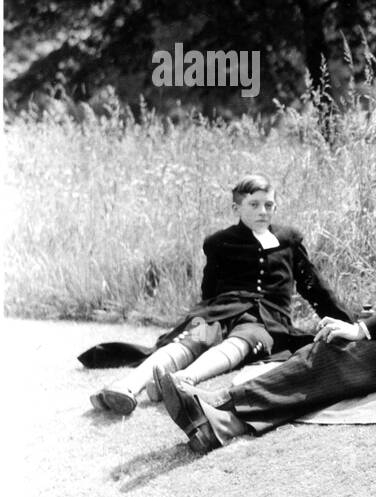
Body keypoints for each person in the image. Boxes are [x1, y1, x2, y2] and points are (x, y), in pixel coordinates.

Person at [156, 150, 376, 453]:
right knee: (324, 347)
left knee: (334, 356)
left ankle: (219, 404)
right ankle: (221, 423)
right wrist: (356, 328)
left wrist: (362, 329)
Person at [89, 174, 348, 416]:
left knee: (241, 341)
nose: (263, 211)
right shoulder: (220, 242)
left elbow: (314, 286)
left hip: (266, 321)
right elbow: (209, 291)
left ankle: (181, 381)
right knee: (195, 337)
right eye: (254, 205)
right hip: (220, 311)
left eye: (269, 205)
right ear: (236, 209)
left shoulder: (289, 240)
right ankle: (128, 386)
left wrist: (344, 322)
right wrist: (206, 318)